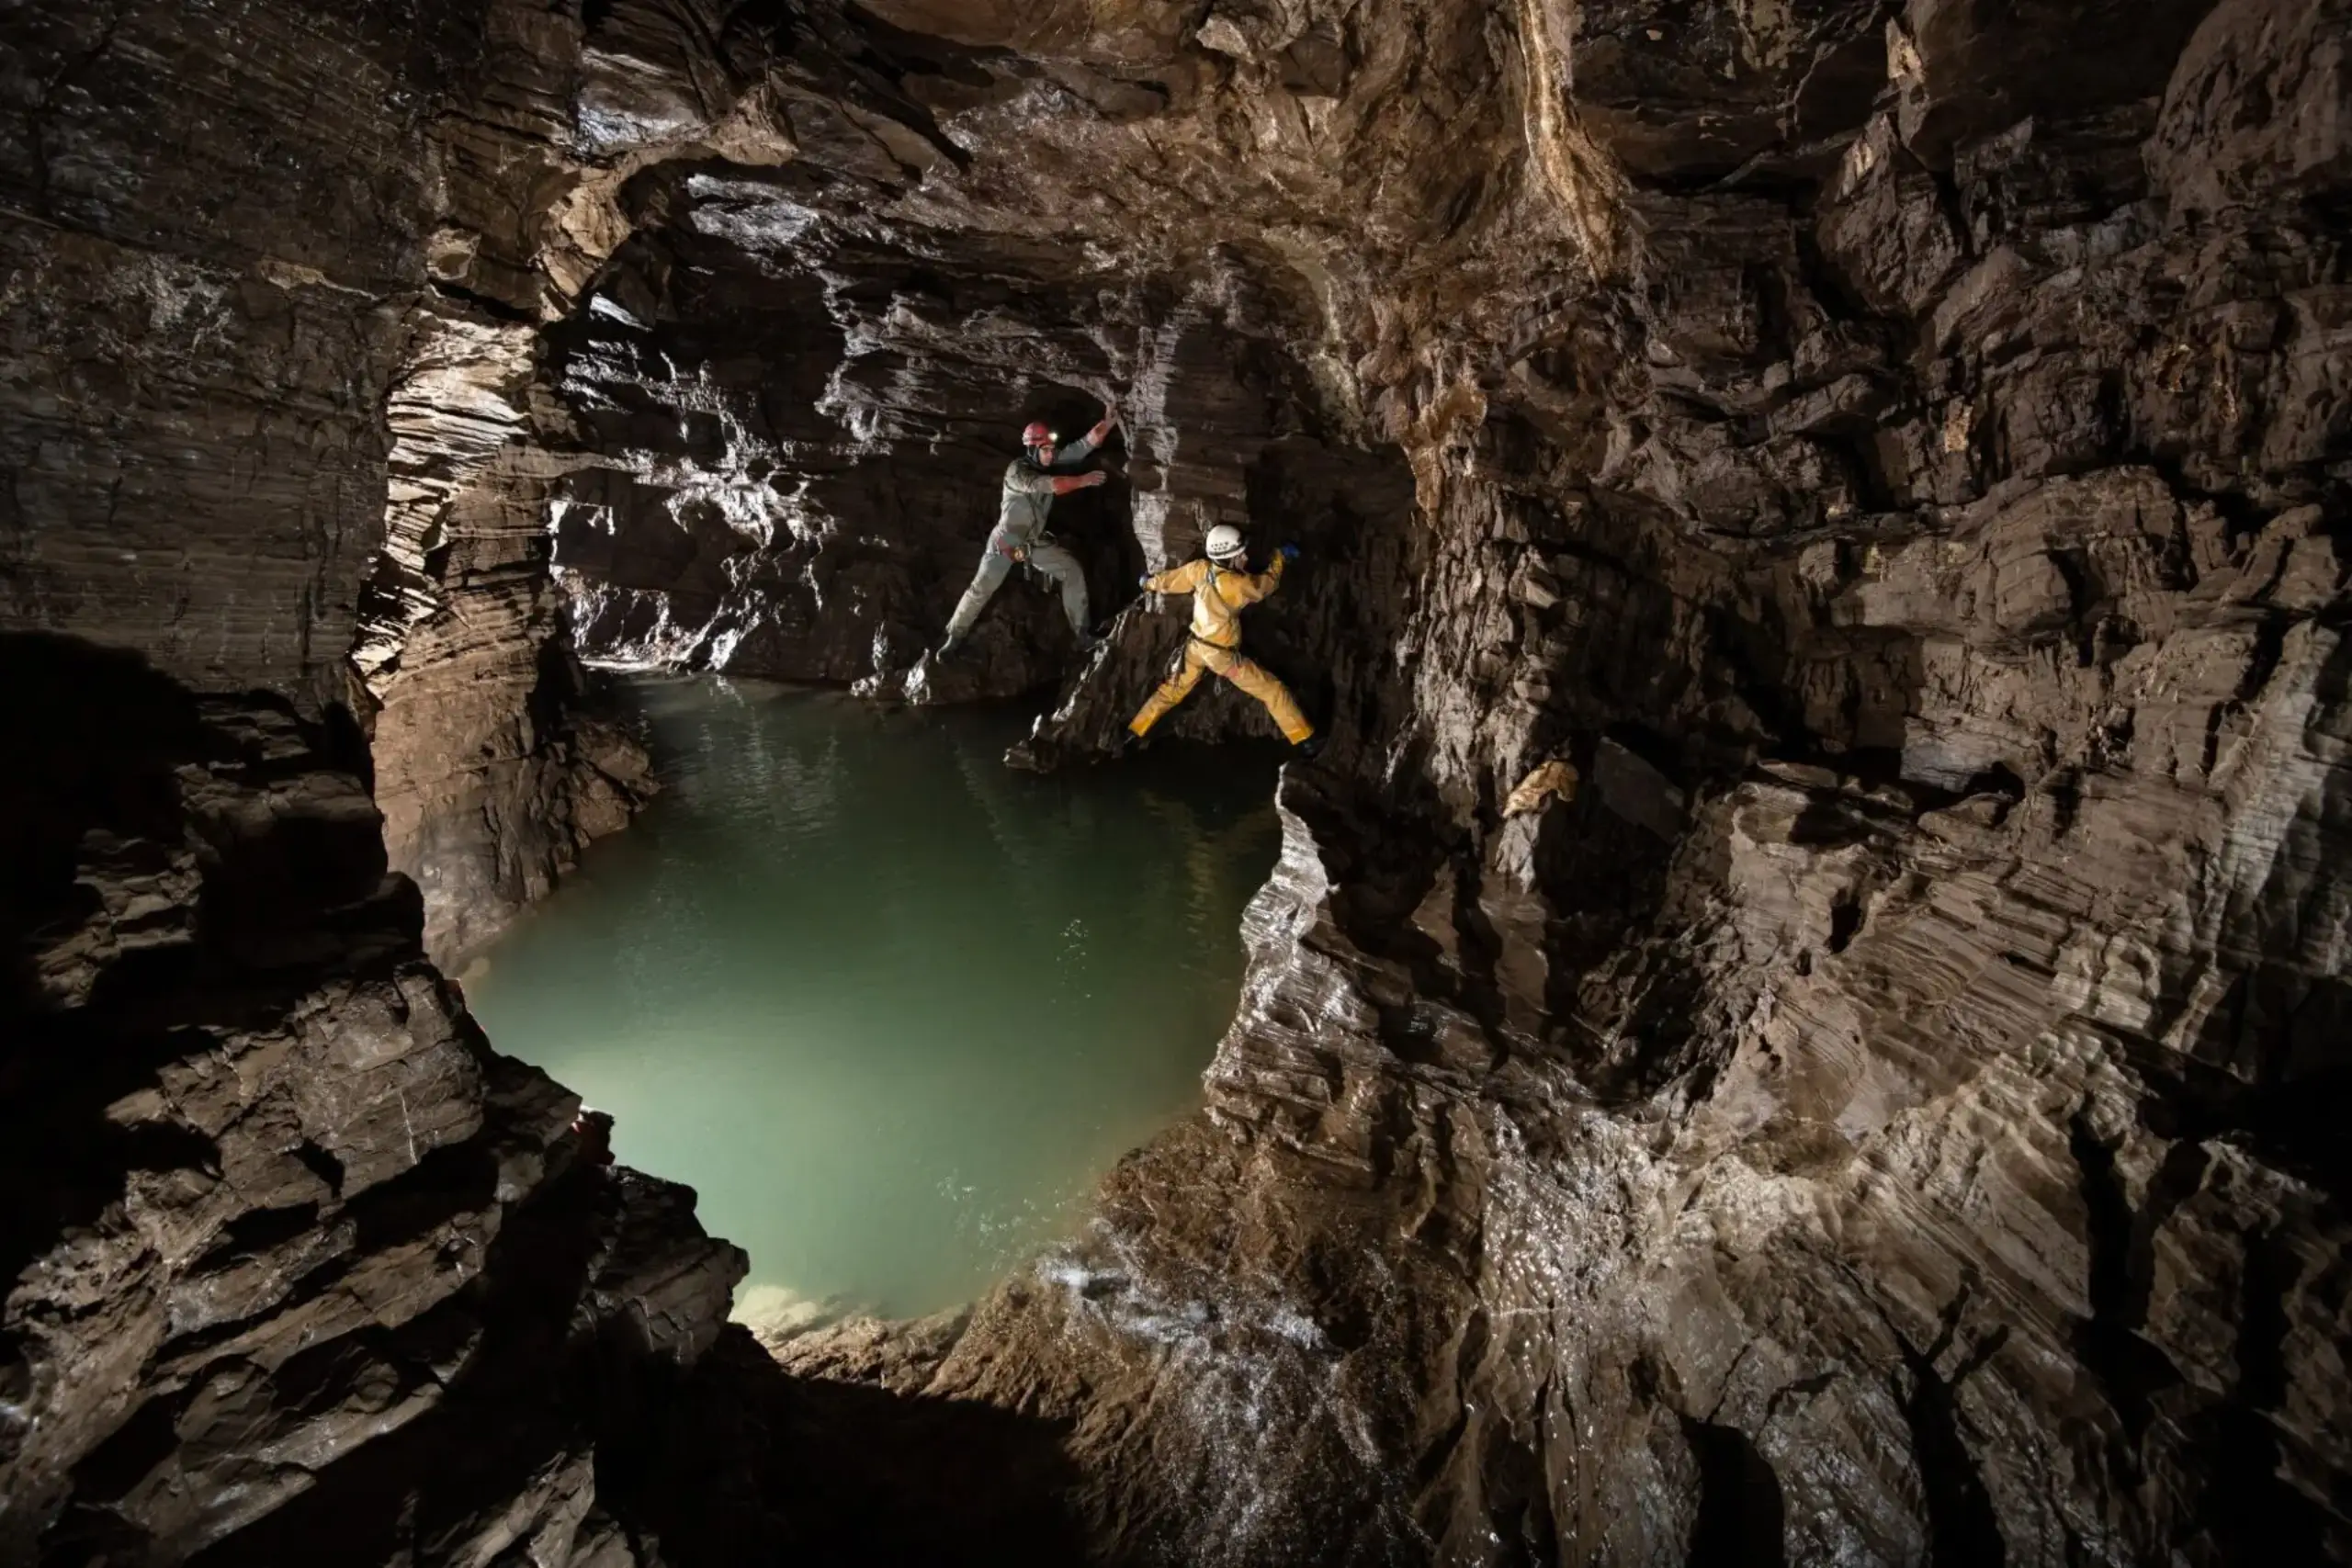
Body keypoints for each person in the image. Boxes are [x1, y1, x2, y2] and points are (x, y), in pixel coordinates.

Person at [936, 405, 1120, 660]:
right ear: (1033, 450)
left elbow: (1083, 445)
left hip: (1033, 542)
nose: (1051, 454)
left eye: (1051, 449)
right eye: (1045, 450)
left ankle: (1082, 636)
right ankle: (953, 638)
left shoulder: (1049, 460)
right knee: (981, 588)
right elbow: (1052, 486)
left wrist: (1108, 423)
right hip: (1007, 541)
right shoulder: (1018, 472)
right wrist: (1083, 480)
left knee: (1072, 570)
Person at [1125, 525, 1320, 756]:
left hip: (1195, 647)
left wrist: (1147, 582)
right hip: (1222, 658)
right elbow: (1265, 585)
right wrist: (1280, 558)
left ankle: (1135, 730)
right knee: (1272, 690)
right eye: (1240, 555)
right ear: (1228, 559)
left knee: (1170, 691)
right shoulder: (1238, 585)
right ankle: (1305, 740)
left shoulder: (1199, 570)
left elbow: (1169, 581)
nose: (1245, 557)